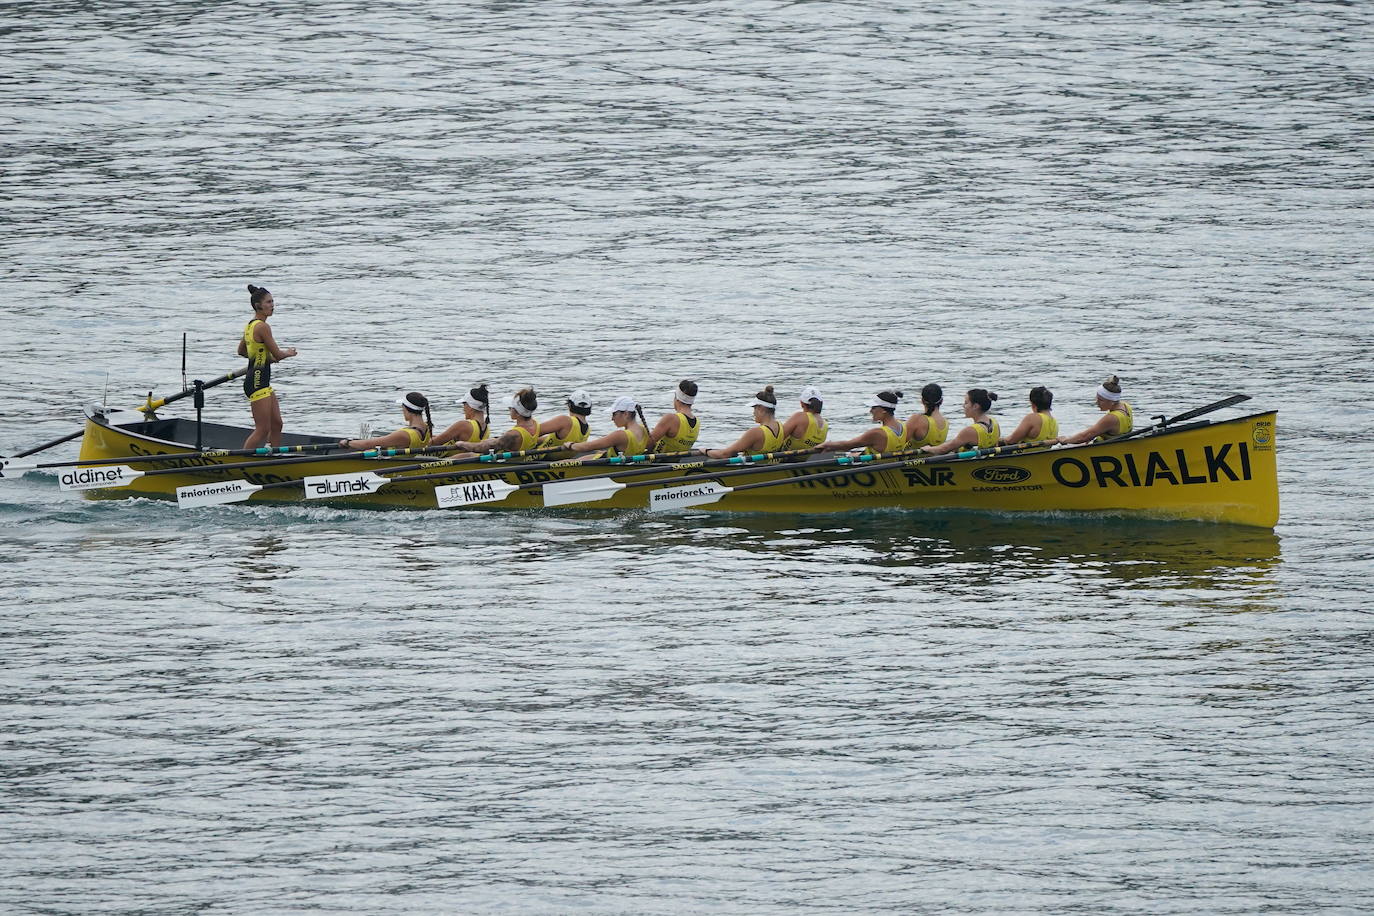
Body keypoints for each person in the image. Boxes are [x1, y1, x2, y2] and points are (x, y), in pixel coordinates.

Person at [238, 284, 297, 448]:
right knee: (262, 430)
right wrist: (289, 353)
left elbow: (242, 351)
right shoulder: (263, 327)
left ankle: (274, 456)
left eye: (273, 302)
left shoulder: (250, 325)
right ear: (259, 306)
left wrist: (263, 358)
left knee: (277, 424)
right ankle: (243, 462)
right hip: (257, 383)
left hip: (260, 381)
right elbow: (278, 355)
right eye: (269, 302)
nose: (272, 305)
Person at [703, 385, 786, 458]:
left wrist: (705, 451)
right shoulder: (780, 427)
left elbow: (724, 454)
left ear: (761, 409)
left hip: (753, 473)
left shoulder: (756, 433)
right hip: (770, 469)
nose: (753, 413)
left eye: (754, 408)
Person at [816, 390, 908, 454]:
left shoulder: (878, 433)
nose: (870, 411)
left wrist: (827, 444)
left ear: (884, 410)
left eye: (873, 408)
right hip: (890, 465)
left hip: (874, 470)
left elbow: (847, 446)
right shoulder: (903, 426)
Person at [456, 388, 542, 454]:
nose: (509, 410)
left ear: (518, 413)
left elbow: (482, 448)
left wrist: (463, 444)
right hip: (522, 459)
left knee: (466, 456)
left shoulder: (513, 434)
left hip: (509, 465)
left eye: (510, 408)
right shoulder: (535, 424)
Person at [339, 392, 433, 450]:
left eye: (402, 409)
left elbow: (368, 444)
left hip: (393, 466)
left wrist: (348, 442)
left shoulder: (404, 434)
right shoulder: (426, 427)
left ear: (407, 410)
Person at [919, 389, 1000, 455]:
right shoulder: (994, 422)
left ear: (975, 406)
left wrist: (929, 449)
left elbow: (943, 449)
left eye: (966, 403)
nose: (963, 406)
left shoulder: (970, 431)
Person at [1056, 375, 1133, 445]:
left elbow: (1084, 436)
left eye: (1101, 400)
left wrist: (1066, 440)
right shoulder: (1126, 405)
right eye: (1097, 398)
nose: (1096, 402)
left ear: (1112, 401)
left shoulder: (1112, 418)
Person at [566, 396, 650, 458]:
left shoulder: (620, 435)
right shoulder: (643, 429)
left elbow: (586, 447)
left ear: (626, 414)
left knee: (569, 462)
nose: (612, 418)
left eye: (614, 414)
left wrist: (570, 445)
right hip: (622, 462)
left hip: (604, 464)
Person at [647, 379, 701, 454]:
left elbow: (648, 443)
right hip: (676, 460)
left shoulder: (671, 419)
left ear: (677, 399)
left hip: (656, 461)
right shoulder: (697, 422)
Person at [780, 385, 829, 450]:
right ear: (821, 403)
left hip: (786, 458)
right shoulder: (825, 425)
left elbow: (777, 438)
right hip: (807, 459)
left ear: (801, 403)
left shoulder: (800, 417)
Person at [902, 383, 948, 450]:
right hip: (933, 458)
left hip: (912, 459)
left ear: (922, 401)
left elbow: (899, 442)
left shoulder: (916, 419)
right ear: (941, 401)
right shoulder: (945, 422)